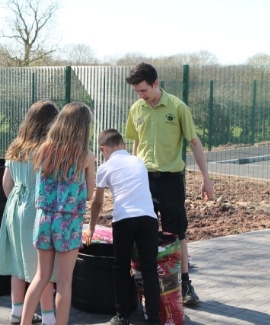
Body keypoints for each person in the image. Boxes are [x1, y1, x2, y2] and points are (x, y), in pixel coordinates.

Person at [124, 63, 214, 307]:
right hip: (143, 180)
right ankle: (146, 284)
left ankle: (185, 284)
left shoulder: (177, 107)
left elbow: (194, 143)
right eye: (137, 92)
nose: (141, 96)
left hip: (171, 180)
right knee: (144, 232)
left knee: (177, 233)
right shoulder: (136, 109)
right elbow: (135, 145)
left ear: (155, 83)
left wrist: (206, 178)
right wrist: (132, 174)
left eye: (143, 90)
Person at [20, 102, 96, 325]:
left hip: (43, 218)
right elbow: (90, 194)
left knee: (41, 277)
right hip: (69, 222)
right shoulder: (86, 156)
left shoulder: (44, 149)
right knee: (64, 282)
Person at [0, 99, 59, 325]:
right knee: (43, 268)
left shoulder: (15, 146)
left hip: (14, 206)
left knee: (18, 264)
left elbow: (6, 183)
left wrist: (16, 200)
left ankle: (17, 313)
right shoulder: (47, 149)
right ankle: (50, 317)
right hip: (37, 207)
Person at [85, 129, 161, 325]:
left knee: (121, 266)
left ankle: (122, 316)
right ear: (123, 145)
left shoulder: (105, 167)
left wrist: (91, 228)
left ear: (104, 149)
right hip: (149, 218)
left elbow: (97, 202)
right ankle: (154, 318)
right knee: (149, 268)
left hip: (124, 219)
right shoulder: (139, 162)